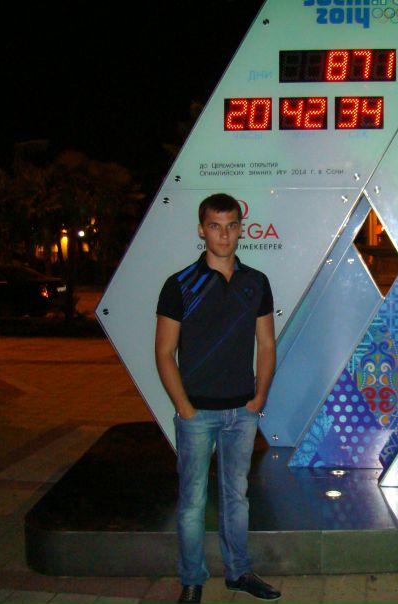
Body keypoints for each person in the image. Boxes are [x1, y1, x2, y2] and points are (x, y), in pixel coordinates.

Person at [155, 193, 280, 603]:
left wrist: (259, 397)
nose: (223, 235)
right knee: (193, 502)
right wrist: (184, 407)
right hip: (197, 414)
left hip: (242, 411)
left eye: (230, 226)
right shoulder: (179, 285)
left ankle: (238, 573)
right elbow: (164, 352)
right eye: (214, 226)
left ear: (241, 229)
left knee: (236, 498)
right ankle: (192, 579)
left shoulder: (256, 282)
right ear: (201, 230)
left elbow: (266, 343)